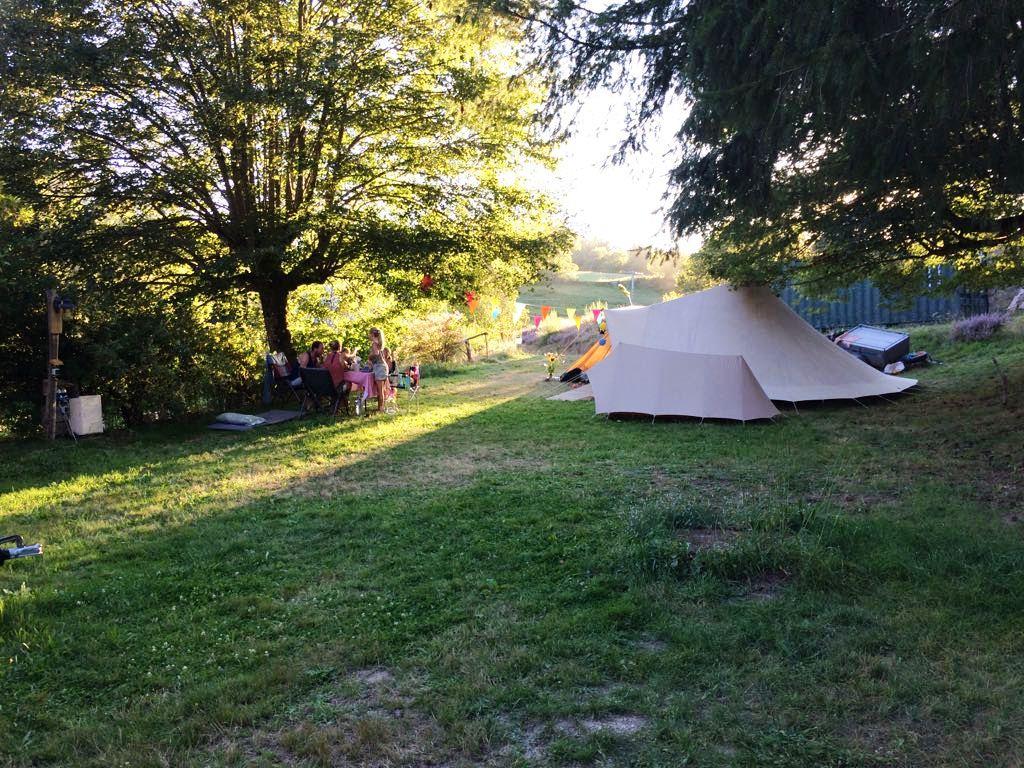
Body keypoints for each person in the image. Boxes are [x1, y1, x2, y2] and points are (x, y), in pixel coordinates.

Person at [368, 328, 391, 412]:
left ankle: (381, 409)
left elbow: (376, 354)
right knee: (382, 389)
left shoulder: (374, 343)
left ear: (372, 334)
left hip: (380, 368)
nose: (368, 335)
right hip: (383, 367)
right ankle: (381, 407)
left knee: (380, 390)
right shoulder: (379, 343)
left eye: (369, 334)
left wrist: (370, 356)